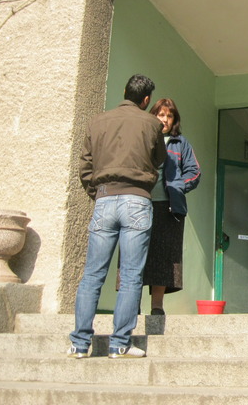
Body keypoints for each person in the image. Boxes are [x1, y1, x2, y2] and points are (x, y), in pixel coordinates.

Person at [68, 74, 167, 359]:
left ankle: (80, 344)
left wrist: (98, 193)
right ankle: (120, 344)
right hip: (137, 199)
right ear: (146, 100)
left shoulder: (97, 121)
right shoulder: (152, 123)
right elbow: (159, 158)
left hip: (105, 198)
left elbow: (85, 165)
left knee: (92, 275)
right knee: (131, 275)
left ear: (124, 91)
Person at [143, 98, 200, 315]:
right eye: (161, 115)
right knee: (135, 254)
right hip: (140, 204)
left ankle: (157, 307)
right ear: (153, 116)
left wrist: (178, 186)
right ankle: (130, 306)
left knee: (163, 257)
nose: (165, 119)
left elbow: (194, 172)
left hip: (169, 208)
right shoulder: (142, 137)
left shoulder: (180, 143)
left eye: (169, 115)